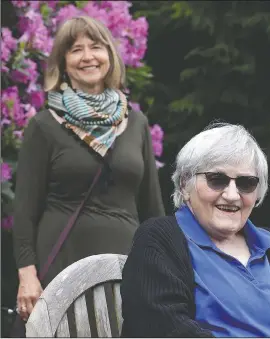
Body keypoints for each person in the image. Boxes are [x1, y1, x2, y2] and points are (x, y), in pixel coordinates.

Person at [12, 15, 164, 324]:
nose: (87, 56)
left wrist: (163, 268)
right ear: (64, 63)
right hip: (61, 265)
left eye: (95, 47)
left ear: (110, 55)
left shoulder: (135, 124)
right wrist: (27, 275)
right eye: (76, 49)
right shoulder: (43, 126)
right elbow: (25, 211)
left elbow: (154, 210)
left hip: (127, 266)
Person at [121, 123, 270, 338]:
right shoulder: (160, 239)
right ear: (185, 185)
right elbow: (161, 327)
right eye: (217, 180)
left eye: (246, 183)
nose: (232, 195)